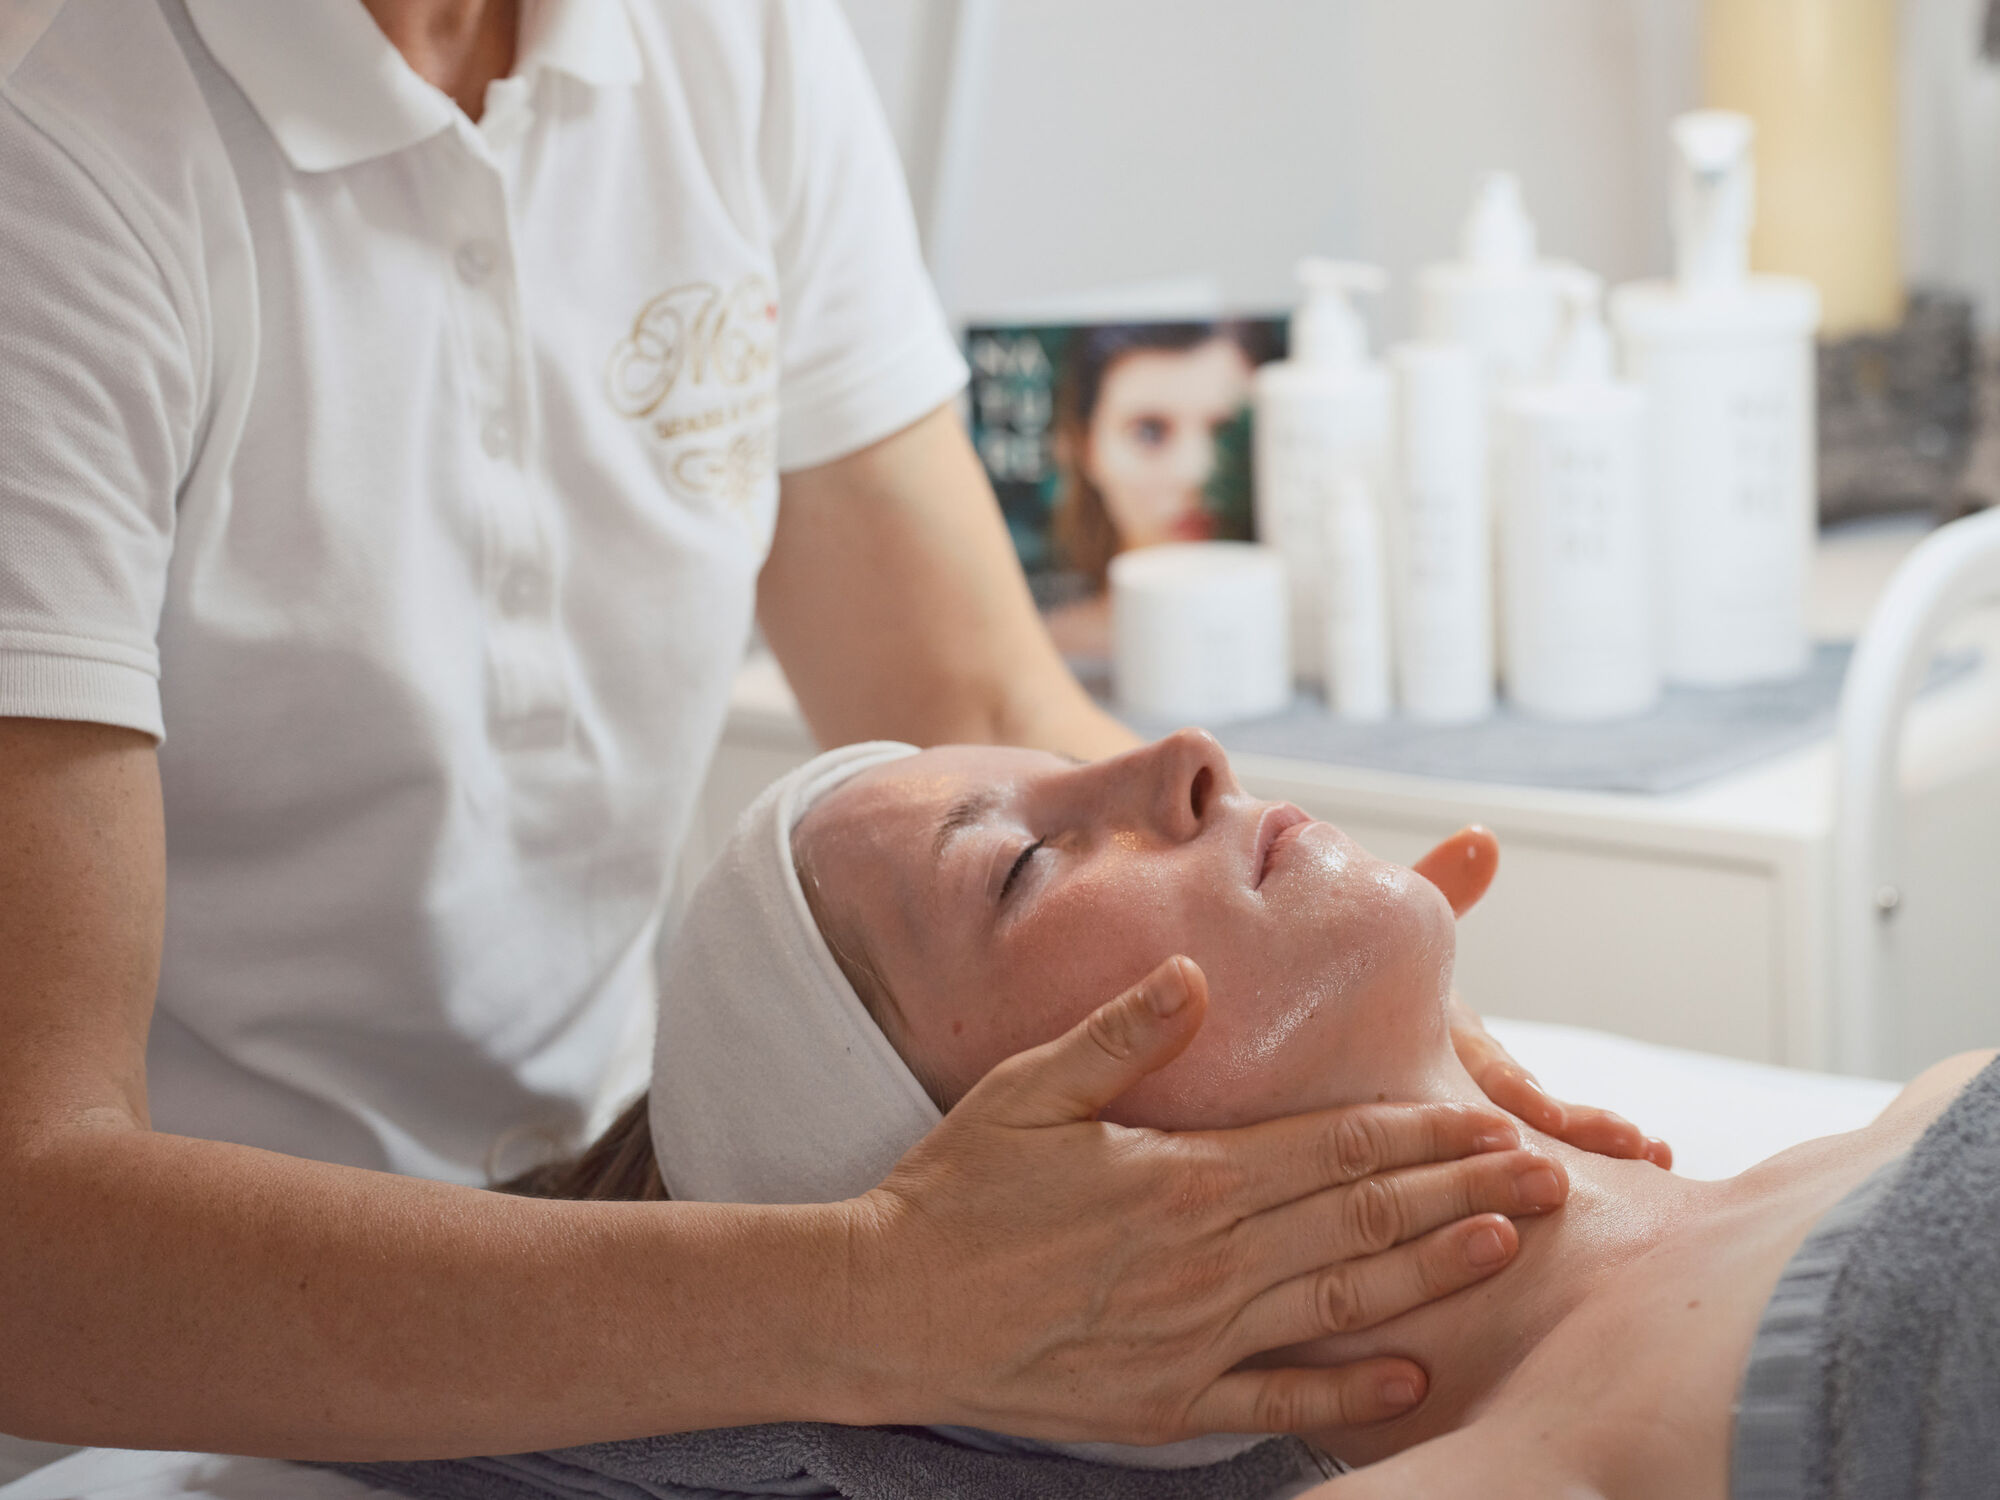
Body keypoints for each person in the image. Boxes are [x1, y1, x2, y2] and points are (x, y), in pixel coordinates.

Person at [0, 0, 1656, 1475]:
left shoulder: (728, 41)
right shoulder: (56, 143)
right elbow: (29, 1232)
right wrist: (882, 1296)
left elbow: (979, 712)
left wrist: (1353, 1003)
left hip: (649, 1207)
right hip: (189, 1388)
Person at [287, 731, 1983, 1500]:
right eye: (1023, 862)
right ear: (1028, 1204)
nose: (1182, 754)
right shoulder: (1542, 1463)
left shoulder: (1913, 1111)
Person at [1044, 321, 1279, 660]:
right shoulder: (1042, 654)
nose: (1196, 473)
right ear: (1085, 449)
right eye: (1150, 432)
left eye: (1228, 431)